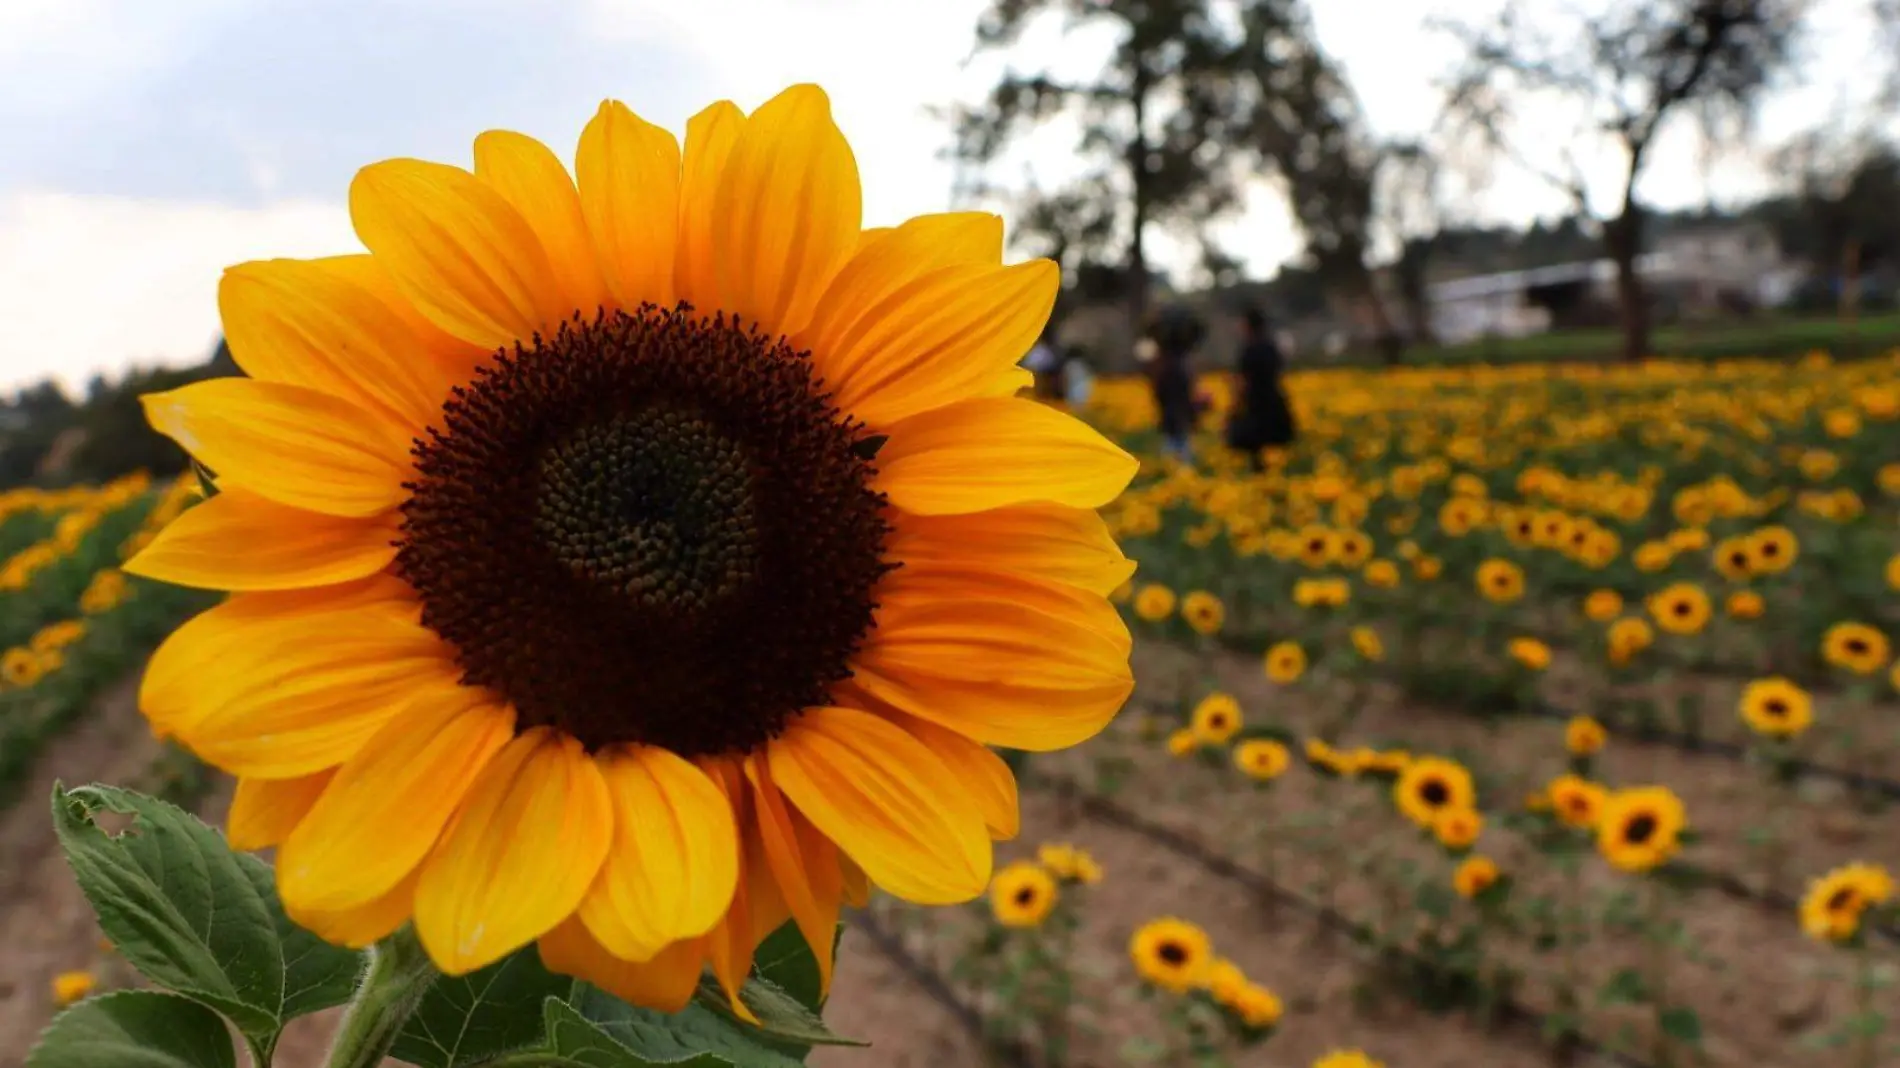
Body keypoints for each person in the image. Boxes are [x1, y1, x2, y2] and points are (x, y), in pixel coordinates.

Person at [1225, 306, 1295, 469]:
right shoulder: (1271, 346)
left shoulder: (1248, 349)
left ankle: (1262, 481)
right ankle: (1275, 478)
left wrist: (1234, 406)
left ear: (1247, 325)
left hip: (1255, 403)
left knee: (1255, 448)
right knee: (1275, 446)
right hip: (1274, 400)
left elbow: (1243, 381)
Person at [1145, 303, 1204, 462]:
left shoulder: (1164, 364)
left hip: (1172, 415)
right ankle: (1178, 472)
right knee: (1179, 446)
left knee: (1174, 447)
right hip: (1179, 415)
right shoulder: (1180, 364)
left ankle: (1173, 471)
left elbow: (1159, 391)